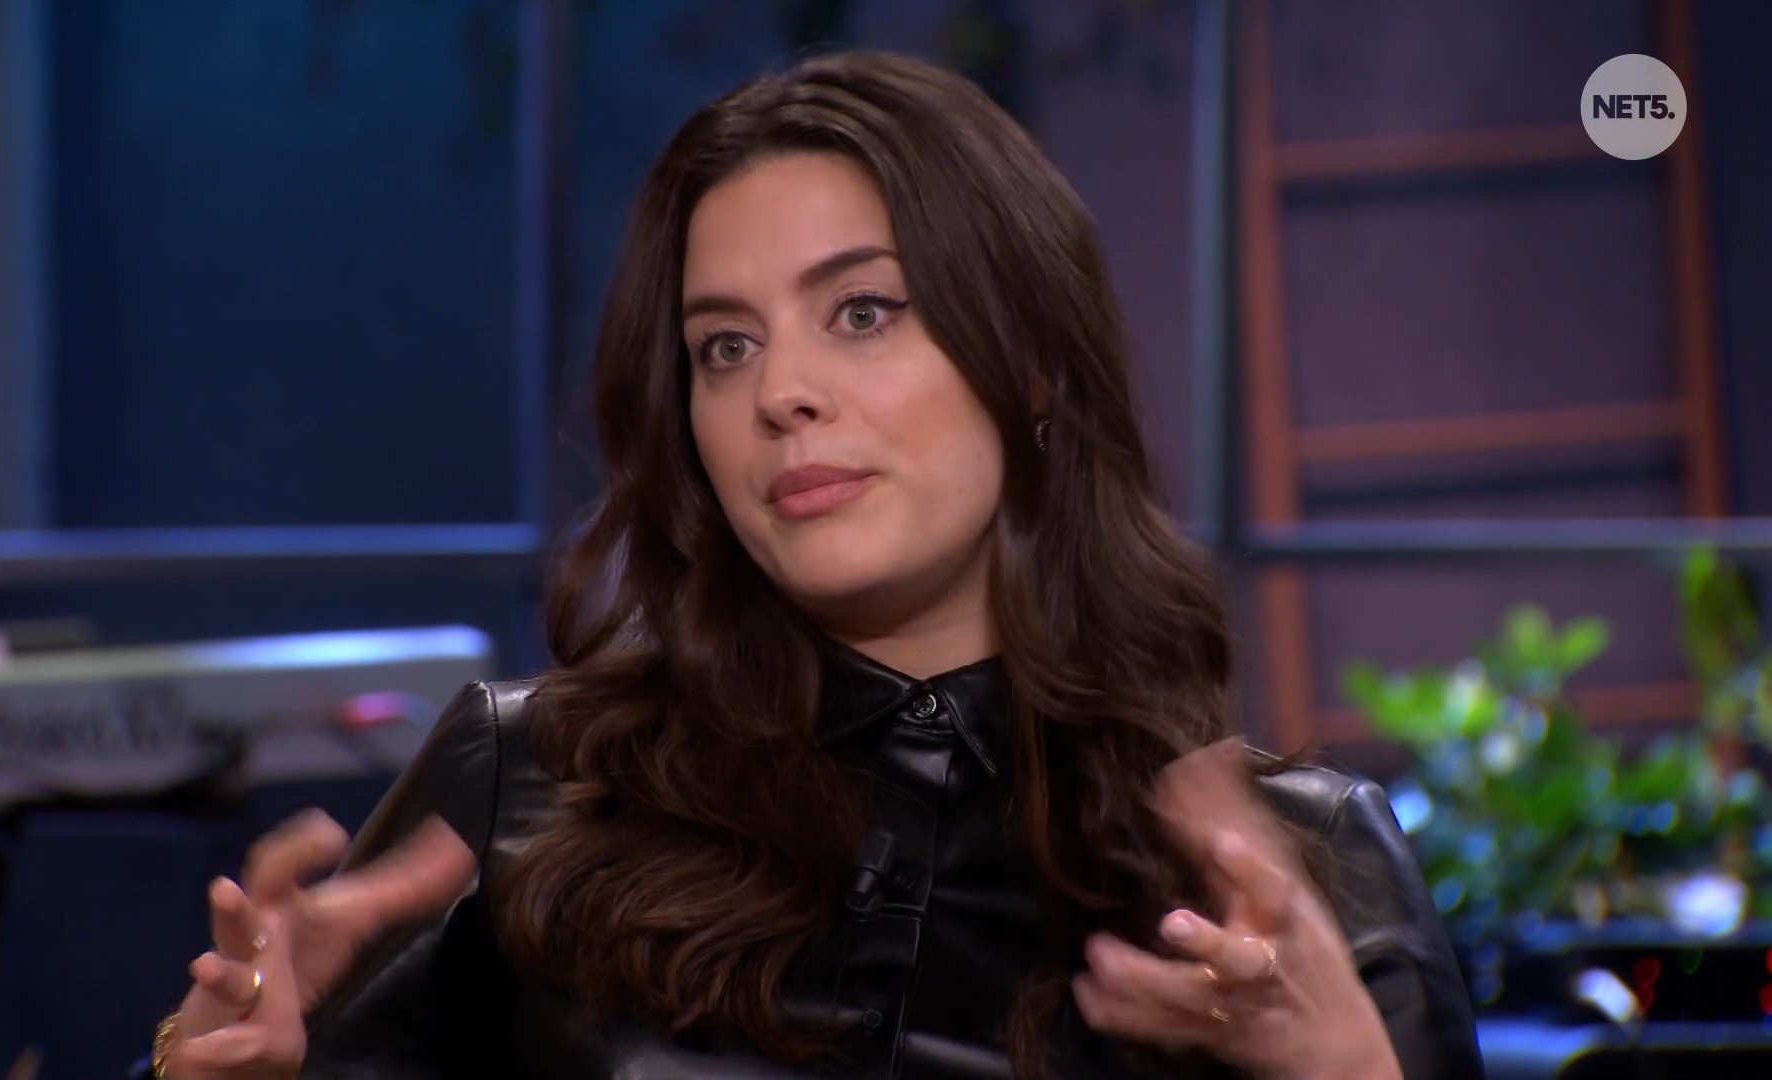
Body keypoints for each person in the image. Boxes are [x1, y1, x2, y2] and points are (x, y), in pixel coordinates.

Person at [146, 50, 1483, 1080]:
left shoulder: (1300, 877)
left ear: (1031, 363)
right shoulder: (529, 784)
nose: (780, 392)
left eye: (862, 312)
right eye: (724, 346)